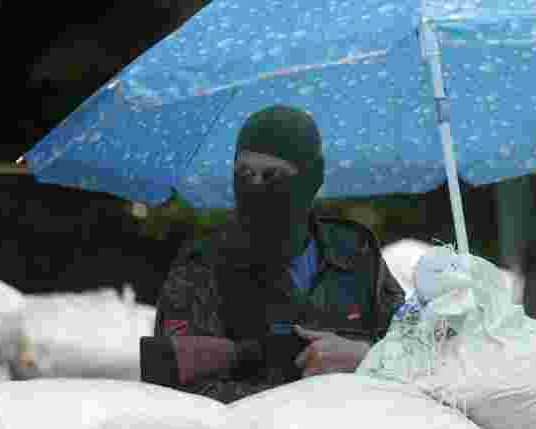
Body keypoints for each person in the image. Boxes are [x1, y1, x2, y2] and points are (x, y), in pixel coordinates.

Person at [140, 104, 405, 403]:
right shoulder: (203, 266)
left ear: (312, 178)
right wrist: (298, 389)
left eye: (273, 175)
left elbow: (418, 348)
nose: (255, 186)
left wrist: (366, 356)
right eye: (244, 173)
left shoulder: (354, 250)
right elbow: (174, 394)